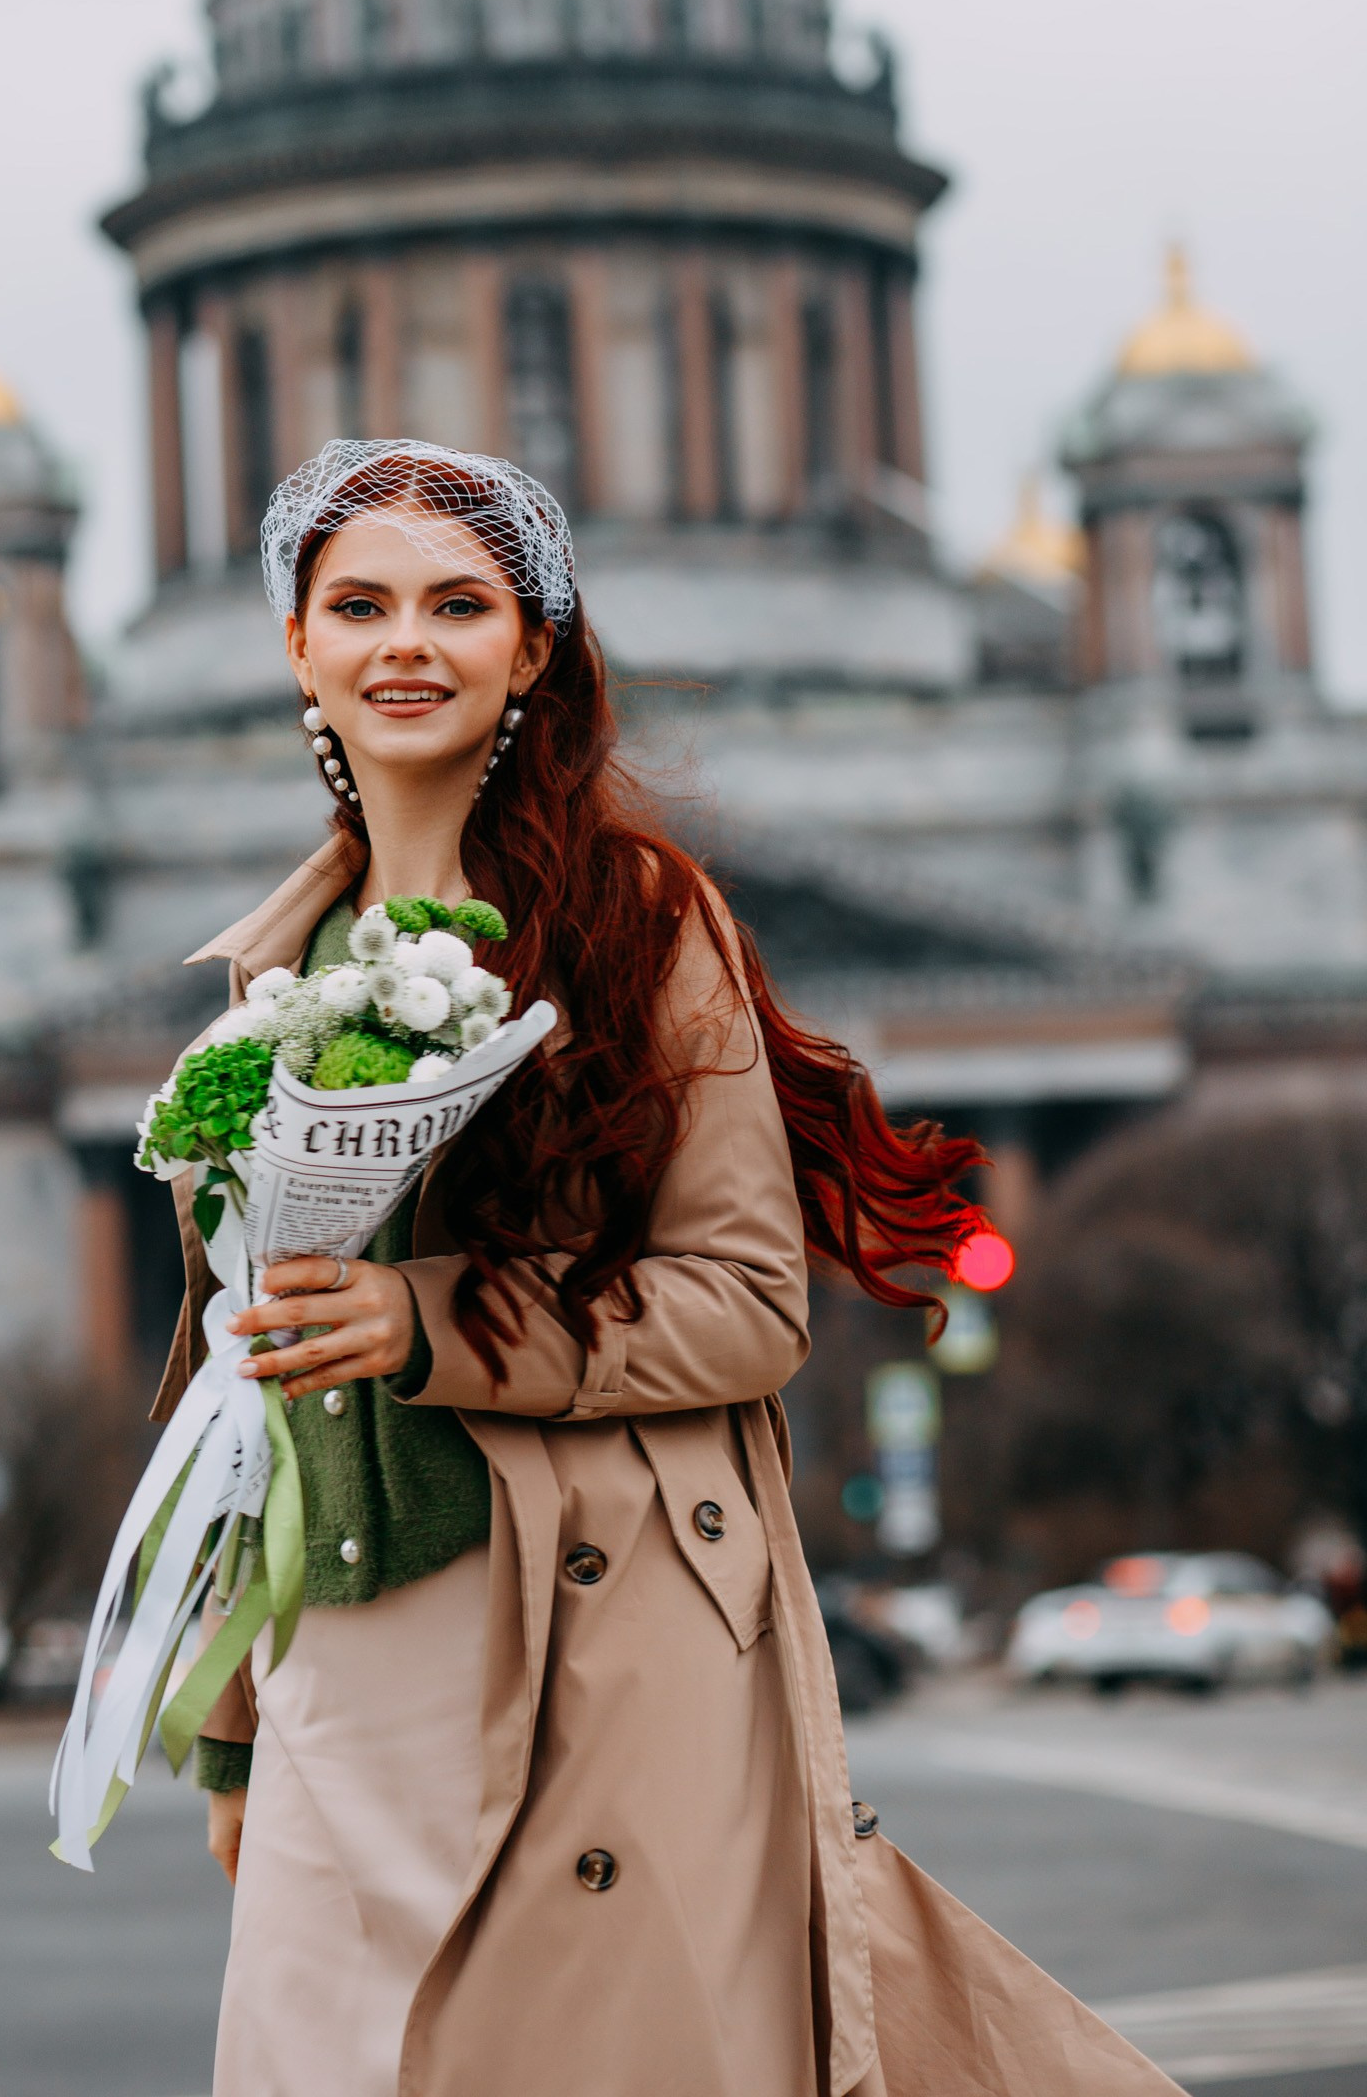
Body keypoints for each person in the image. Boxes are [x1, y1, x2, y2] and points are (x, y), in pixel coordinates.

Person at [156, 437, 1178, 2097]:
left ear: (533, 651)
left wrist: (425, 1319)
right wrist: (228, 1721)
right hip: (343, 1663)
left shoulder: (640, 917)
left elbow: (749, 1305)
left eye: (459, 604)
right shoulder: (276, 970)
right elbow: (240, 1392)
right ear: (297, 647)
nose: (404, 644)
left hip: (594, 1636)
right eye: (359, 605)